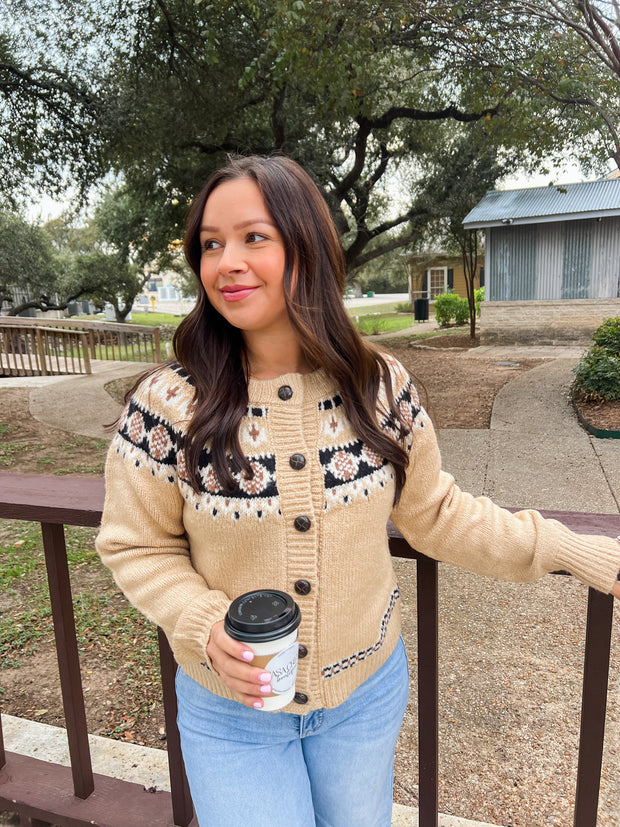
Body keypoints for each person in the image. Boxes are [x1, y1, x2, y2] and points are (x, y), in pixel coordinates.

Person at [96, 154, 620, 827]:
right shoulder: (170, 404)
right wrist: (201, 623)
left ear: (306, 245)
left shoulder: (378, 387)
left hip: (365, 694)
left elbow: (438, 513)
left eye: (254, 237)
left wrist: (573, 548)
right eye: (210, 243)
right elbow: (136, 545)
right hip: (231, 712)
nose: (226, 261)